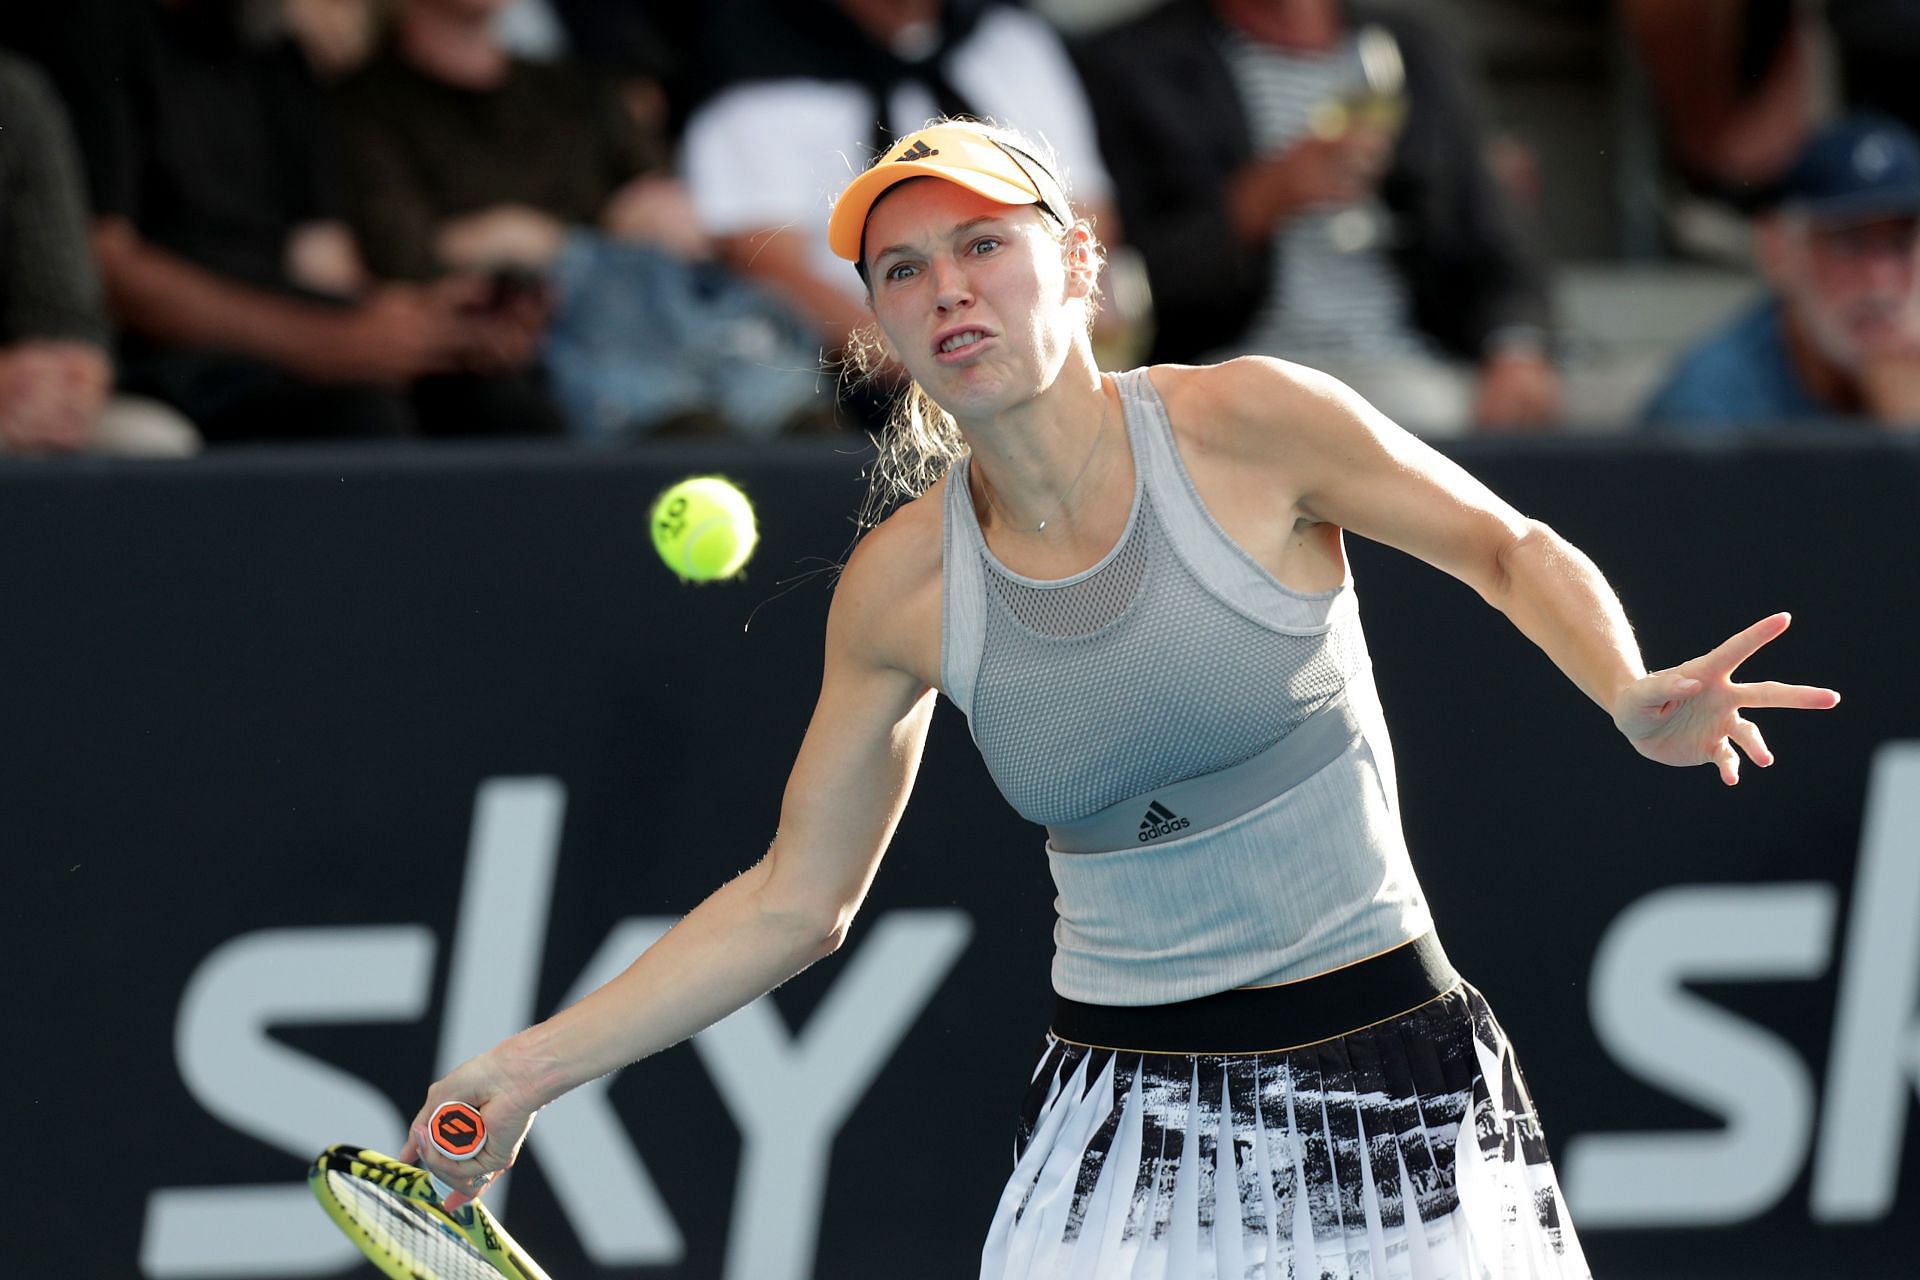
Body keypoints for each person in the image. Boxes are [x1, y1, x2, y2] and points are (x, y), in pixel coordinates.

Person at [401, 120, 1840, 1275]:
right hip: (1120, 1127)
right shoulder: (900, 592)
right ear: (879, 324)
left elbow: (1505, 548)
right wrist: (519, 1072)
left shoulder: (1252, 425)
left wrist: (1627, 683)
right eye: (899, 270)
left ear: (1075, 260)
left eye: (982, 244)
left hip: (1394, 1085)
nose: (945, 287)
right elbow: (796, 901)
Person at [6, 0, 562, 444]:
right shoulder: (87, 28)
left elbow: (322, 260)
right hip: (178, 357)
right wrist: (326, 343)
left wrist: (433, 323)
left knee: (503, 405)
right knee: (361, 417)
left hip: (293, 335)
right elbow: (108, 263)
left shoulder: (272, 47)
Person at [333, 0, 824, 440]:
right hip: (537, 351)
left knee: (797, 410)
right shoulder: (364, 106)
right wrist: (572, 239)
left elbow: (669, 215)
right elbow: (399, 252)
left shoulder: (574, 88)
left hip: (667, 324)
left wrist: (529, 236)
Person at [1072, 0, 1559, 437]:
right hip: (1234, 373)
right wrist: (1257, 204)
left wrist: (1517, 352)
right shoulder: (1132, 64)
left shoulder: (1414, 49)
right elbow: (1115, 282)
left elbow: (1492, 228)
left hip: (1421, 362)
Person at [1641, 113, 1920, 433]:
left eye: (1900, 244)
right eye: (1850, 244)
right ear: (1778, 252)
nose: (1881, 280)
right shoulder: (1710, 409)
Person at [0, 47, 198, 456]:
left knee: (152, 444)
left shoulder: (13, 98)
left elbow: (67, 314)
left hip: (11, 402)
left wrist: (70, 374)